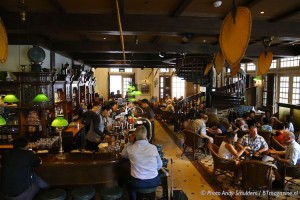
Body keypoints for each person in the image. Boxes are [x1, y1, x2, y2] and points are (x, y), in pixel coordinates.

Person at [120, 126, 162, 200]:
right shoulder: (153, 148)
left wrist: (129, 142)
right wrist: (150, 171)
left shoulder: (130, 148)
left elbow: (123, 155)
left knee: (126, 179)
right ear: (146, 135)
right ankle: (151, 196)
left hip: (138, 183)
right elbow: (159, 165)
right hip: (154, 181)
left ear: (135, 136)